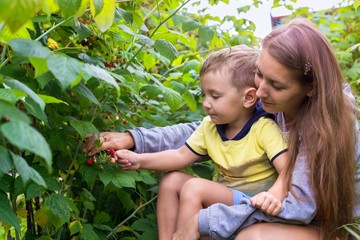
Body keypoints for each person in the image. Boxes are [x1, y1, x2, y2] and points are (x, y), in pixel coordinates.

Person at [83, 18, 360, 240]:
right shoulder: (271, 102)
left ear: (310, 88)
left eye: (276, 85)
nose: (261, 91)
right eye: (260, 74)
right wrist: (133, 139)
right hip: (266, 201)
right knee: (175, 182)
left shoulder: (330, 128)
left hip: (322, 224)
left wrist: (205, 221)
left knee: (252, 237)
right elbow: (207, 131)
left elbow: (300, 207)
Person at [114, 45, 289, 240]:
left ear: (248, 98)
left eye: (215, 96)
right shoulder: (210, 127)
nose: (206, 103)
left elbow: (287, 169)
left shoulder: (263, 128)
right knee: (171, 181)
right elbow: (180, 155)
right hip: (226, 197)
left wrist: (273, 196)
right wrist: (139, 160)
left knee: (194, 187)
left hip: (253, 206)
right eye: (204, 94)